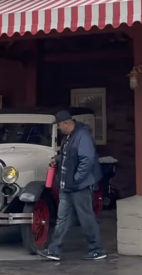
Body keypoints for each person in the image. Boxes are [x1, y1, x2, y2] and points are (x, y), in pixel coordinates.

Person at [41, 110, 106, 262]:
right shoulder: (69, 137)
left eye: (58, 125)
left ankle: (97, 249)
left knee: (86, 218)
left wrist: (76, 180)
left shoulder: (82, 136)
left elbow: (87, 160)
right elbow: (69, 156)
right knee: (62, 218)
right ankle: (54, 250)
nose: (58, 128)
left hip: (79, 187)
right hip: (67, 186)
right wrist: (57, 159)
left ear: (66, 123)